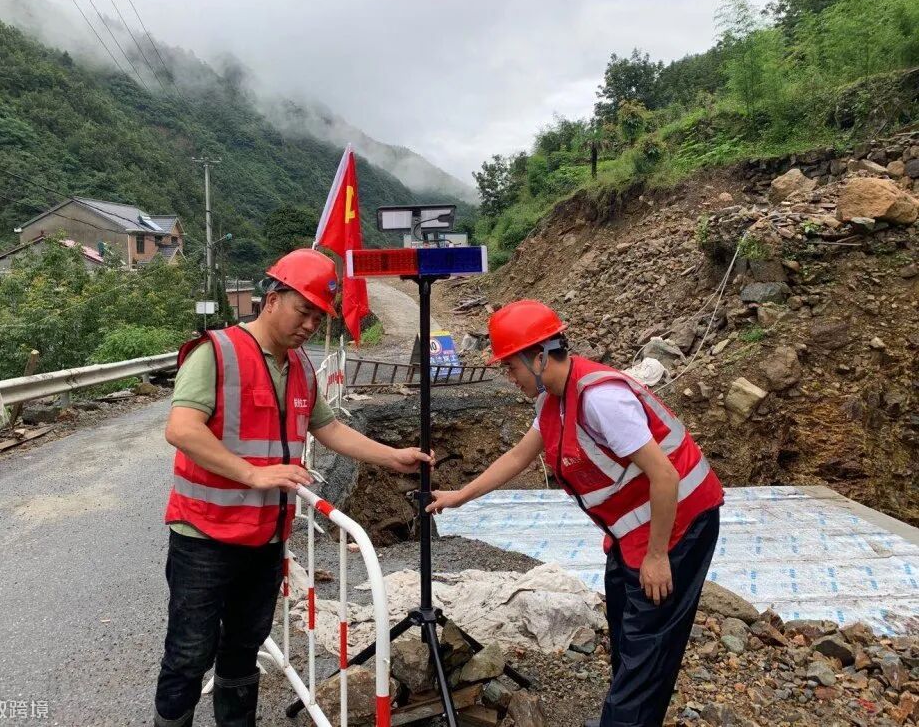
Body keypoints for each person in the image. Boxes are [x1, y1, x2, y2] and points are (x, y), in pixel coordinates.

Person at [155, 248, 432, 727]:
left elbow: (329, 428)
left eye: (318, 317)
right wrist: (253, 473)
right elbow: (182, 429)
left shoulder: (301, 366)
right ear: (272, 299)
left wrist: (392, 456)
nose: (309, 325)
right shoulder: (216, 352)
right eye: (303, 310)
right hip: (205, 535)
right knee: (189, 652)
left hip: (265, 537)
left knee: (243, 648)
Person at [427, 300, 723, 727]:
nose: (509, 377)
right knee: (626, 633)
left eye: (511, 367)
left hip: (679, 523)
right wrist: (461, 496)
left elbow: (665, 475)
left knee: (648, 647)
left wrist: (658, 556)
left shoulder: (602, 400)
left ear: (540, 357)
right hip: (632, 530)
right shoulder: (553, 400)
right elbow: (518, 457)